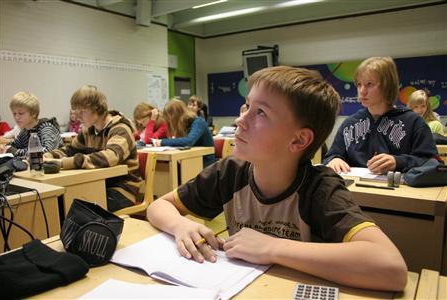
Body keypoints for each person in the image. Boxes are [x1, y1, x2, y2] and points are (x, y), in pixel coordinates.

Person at [147, 66, 407, 291]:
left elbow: (391, 267)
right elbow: (159, 206)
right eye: (247, 106)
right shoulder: (230, 171)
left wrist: (272, 248)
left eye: (260, 113)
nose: (241, 119)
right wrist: (180, 226)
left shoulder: (320, 188)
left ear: (298, 140)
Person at [323, 57, 438, 174]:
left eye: (369, 84)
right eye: (359, 84)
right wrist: (334, 159)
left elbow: (431, 162)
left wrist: (398, 162)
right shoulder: (350, 123)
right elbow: (331, 155)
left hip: (398, 189)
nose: (362, 91)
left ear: (387, 86)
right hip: (353, 188)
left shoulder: (414, 122)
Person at [44, 85, 143, 212]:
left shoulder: (120, 128)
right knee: (60, 204)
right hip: (97, 184)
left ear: (96, 108)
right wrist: (49, 156)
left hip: (122, 189)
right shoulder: (88, 130)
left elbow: (110, 157)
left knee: (79, 211)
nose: (78, 117)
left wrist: (64, 163)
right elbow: (70, 150)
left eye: (82, 112)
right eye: (76, 112)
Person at [152, 98, 215, 167]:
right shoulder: (182, 125)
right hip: (189, 159)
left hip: (204, 163)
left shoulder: (198, 122)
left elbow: (188, 141)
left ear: (175, 116)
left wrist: (162, 142)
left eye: (170, 118)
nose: (169, 122)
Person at [0, 92, 62, 157]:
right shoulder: (26, 130)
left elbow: (47, 152)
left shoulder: (46, 128)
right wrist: (3, 148)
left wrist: (15, 151)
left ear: (33, 113)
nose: (16, 117)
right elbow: (15, 145)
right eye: (14, 114)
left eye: (21, 113)